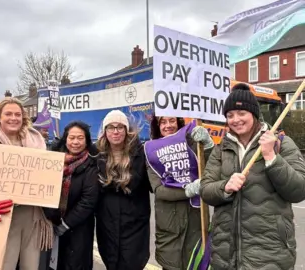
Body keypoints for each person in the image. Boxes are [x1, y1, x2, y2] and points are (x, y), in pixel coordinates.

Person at [200, 83, 305, 270]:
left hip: (270, 257)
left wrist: (272, 158)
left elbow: (299, 191)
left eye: (241, 113)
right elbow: (206, 190)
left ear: (254, 114)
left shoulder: (281, 143)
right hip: (225, 257)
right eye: (230, 115)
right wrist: (225, 187)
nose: (235, 120)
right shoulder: (221, 149)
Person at [0, 97, 54, 270]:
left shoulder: (36, 143)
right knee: (3, 264)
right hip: (3, 217)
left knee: (32, 265)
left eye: (18, 114)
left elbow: (45, 175)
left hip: (32, 216)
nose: (13, 118)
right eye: (8, 114)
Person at [146, 116, 214, 270]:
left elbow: (212, 165)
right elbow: (159, 190)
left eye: (172, 121)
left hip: (196, 222)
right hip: (170, 229)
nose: (168, 125)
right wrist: (189, 190)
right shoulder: (150, 151)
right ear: (157, 126)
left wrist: (208, 145)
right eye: (163, 122)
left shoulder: (191, 142)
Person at [94, 110, 152, 270]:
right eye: (111, 127)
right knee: (112, 263)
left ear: (127, 130)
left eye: (120, 127)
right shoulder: (97, 156)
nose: (115, 131)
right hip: (107, 225)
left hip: (135, 225)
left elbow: (157, 180)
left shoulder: (142, 154)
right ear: (105, 131)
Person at [43, 121, 100, 270]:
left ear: (87, 140)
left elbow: (88, 201)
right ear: (65, 139)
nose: (75, 142)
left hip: (78, 230)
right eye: (72, 137)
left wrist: (65, 224)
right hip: (51, 225)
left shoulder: (92, 165)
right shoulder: (52, 161)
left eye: (80, 138)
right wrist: (51, 216)